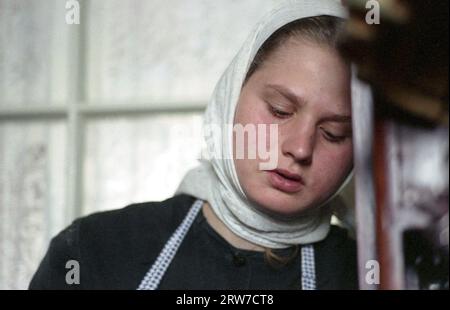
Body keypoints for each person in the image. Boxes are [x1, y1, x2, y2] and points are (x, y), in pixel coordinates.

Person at [30, 0, 367, 290]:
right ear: (230, 96)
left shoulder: (369, 275)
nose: (300, 148)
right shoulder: (92, 252)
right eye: (280, 110)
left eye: (333, 133)